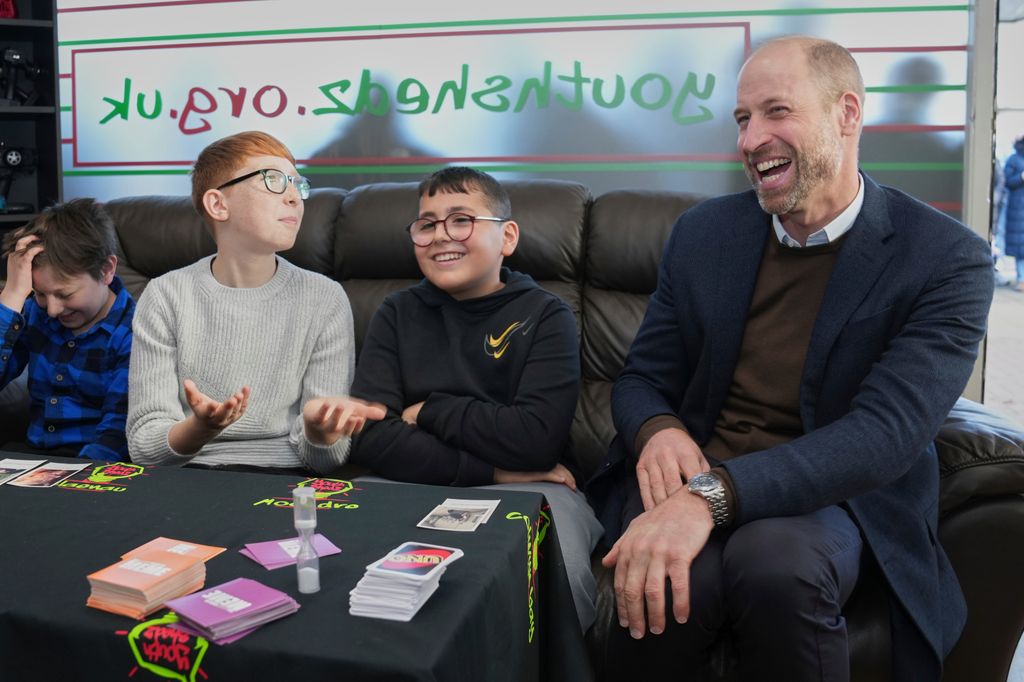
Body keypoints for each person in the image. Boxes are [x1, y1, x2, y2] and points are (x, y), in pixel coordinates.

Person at [594, 37, 993, 681]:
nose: (753, 141)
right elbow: (642, 376)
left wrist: (709, 498)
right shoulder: (703, 234)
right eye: (743, 120)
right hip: (703, 470)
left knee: (776, 564)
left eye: (777, 112)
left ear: (847, 113)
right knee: (669, 575)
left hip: (837, 497)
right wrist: (657, 430)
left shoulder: (945, 259)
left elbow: (885, 435)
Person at [349, 166, 603, 630]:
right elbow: (371, 437)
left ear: (507, 237)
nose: (441, 236)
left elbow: (535, 440)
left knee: (553, 577)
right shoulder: (396, 312)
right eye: (427, 224)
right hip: (415, 481)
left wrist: (430, 411)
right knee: (336, 551)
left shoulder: (547, 314)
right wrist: (496, 471)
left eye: (461, 219)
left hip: (538, 488)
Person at [127, 131, 384, 474]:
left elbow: (327, 460)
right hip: (189, 475)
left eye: (298, 184)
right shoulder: (164, 295)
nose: (295, 198)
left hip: (288, 478)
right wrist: (201, 429)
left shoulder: (325, 298)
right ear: (218, 204)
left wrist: (319, 434)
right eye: (275, 181)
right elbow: (145, 449)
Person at [0, 198, 135, 461]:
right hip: (35, 455)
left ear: (106, 270)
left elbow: (117, 432)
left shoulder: (133, 331)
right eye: (40, 293)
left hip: (96, 461)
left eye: (65, 294)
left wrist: (78, 479)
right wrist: (13, 294)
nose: (52, 309)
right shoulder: (35, 313)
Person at [1002, 136, 1024, 291]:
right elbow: (1006, 181)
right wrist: (1021, 177)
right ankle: (1022, 278)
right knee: (1020, 246)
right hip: (1018, 208)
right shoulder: (1014, 159)